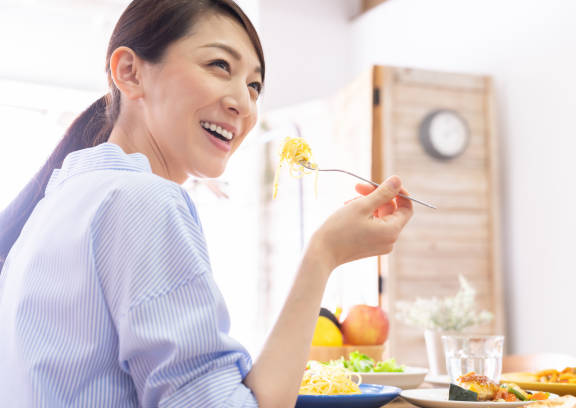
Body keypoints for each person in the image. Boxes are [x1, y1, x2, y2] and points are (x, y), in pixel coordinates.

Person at [0, 0, 413, 406]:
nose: (244, 104)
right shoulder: (143, 200)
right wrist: (324, 254)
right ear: (129, 72)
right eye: (219, 66)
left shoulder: (63, 197)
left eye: (254, 86)